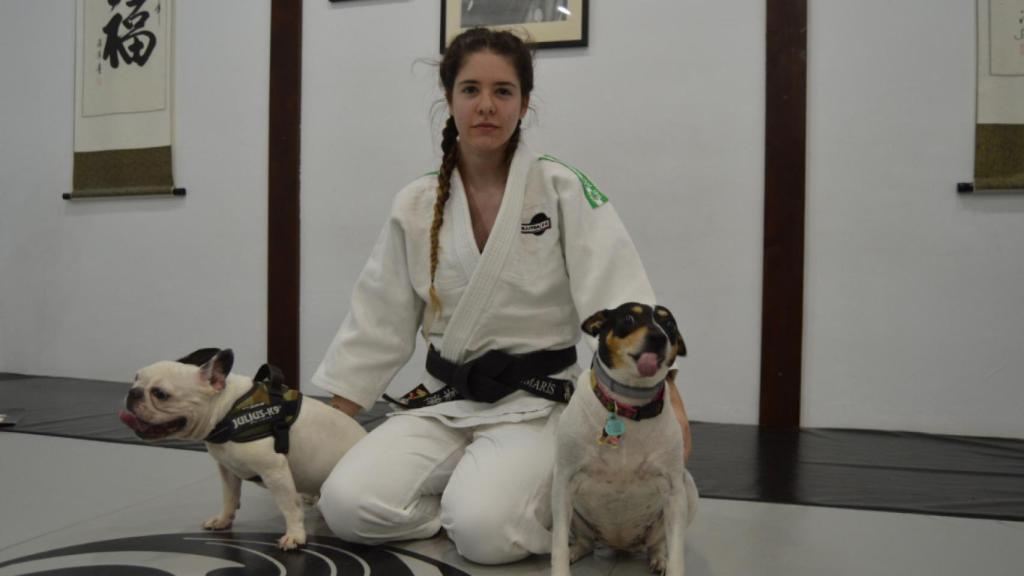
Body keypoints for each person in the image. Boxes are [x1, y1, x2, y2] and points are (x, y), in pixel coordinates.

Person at [314, 27, 692, 565]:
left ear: (524, 103)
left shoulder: (561, 189)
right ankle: (460, 510)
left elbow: (625, 305)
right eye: (470, 90)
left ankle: (534, 526)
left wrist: (668, 404)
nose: (486, 106)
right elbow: (379, 319)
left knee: (485, 534)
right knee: (345, 506)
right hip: (444, 399)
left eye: (502, 91)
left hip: (537, 403)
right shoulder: (417, 203)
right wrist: (332, 420)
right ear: (448, 99)